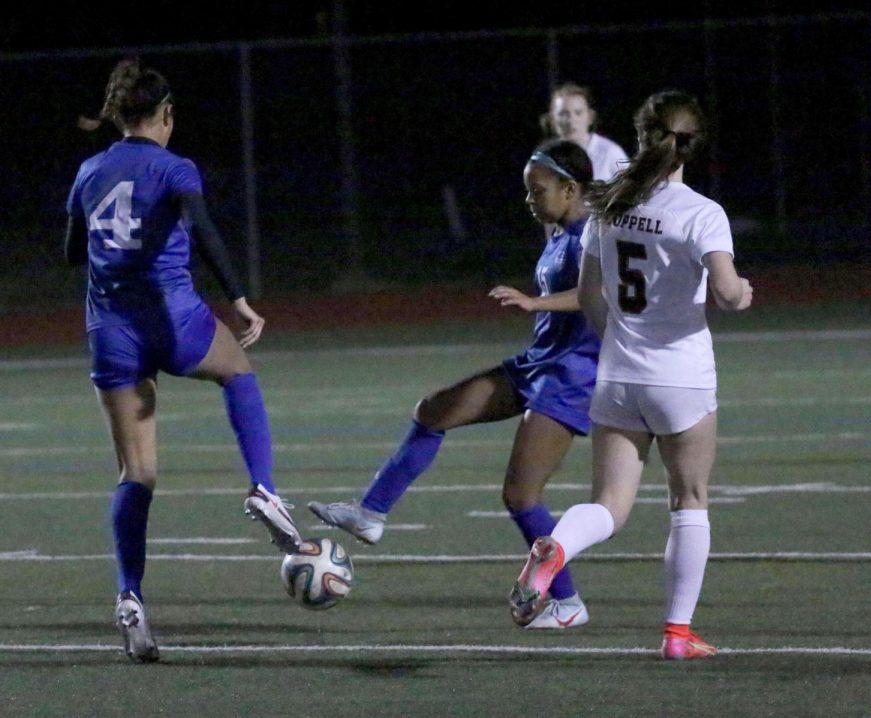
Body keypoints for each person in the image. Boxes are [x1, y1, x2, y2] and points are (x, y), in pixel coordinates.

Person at [65, 58, 303, 663]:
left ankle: (130, 598)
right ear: (166, 115)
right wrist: (241, 300)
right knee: (238, 372)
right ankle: (264, 490)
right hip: (173, 319)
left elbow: (72, 252)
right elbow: (203, 228)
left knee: (136, 474)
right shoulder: (174, 166)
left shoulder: (90, 170)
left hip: (111, 331)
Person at [309, 139, 599, 629]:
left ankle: (567, 603)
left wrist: (534, 303)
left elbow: (598, 294)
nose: (529, 201)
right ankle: (371, 513)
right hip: (537, 363)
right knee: (433, 409)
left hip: (572, 376)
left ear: (570, 189)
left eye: (538, 192)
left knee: (520, 496)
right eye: (527, 192)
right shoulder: (557, 231)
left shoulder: (595, 233)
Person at [510, 90, 753, 659]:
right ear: (693, 145)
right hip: (681, 378)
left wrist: (618, 338)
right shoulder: (701, 212)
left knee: (609, 506)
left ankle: (558, 548)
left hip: (617, 375)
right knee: (688, 499)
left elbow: (592, 298)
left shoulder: (609, 205)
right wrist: (742, 295)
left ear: (642, 136)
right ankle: (677, 634)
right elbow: (724, 290)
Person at [541, 82, 628, 182]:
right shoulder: (545, 157)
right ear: (552, 119)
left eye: (578, 113)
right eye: (563, 113)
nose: (571, 120)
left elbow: (633, 189)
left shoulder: (610, 153)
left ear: (590, 117)